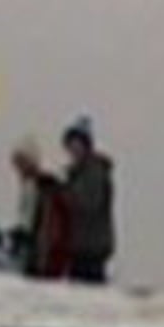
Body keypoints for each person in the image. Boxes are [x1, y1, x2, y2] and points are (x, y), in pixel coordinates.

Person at [0, 136, 70, 279]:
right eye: (16, 163)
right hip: (34, 256)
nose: (18, 169)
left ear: (31, 162)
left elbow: (37, 225)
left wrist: (22, 238)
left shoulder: (42, 187)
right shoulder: (31, 185)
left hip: (41, 261)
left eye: (21, 162)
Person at [58, 116, 115, 284]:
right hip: (79, 247)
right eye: (70, 145)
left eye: (76, 144)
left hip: (91, 248)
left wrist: (64, 194)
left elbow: (89, 202)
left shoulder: (93, 172)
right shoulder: (76, 173)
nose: (72, 149)